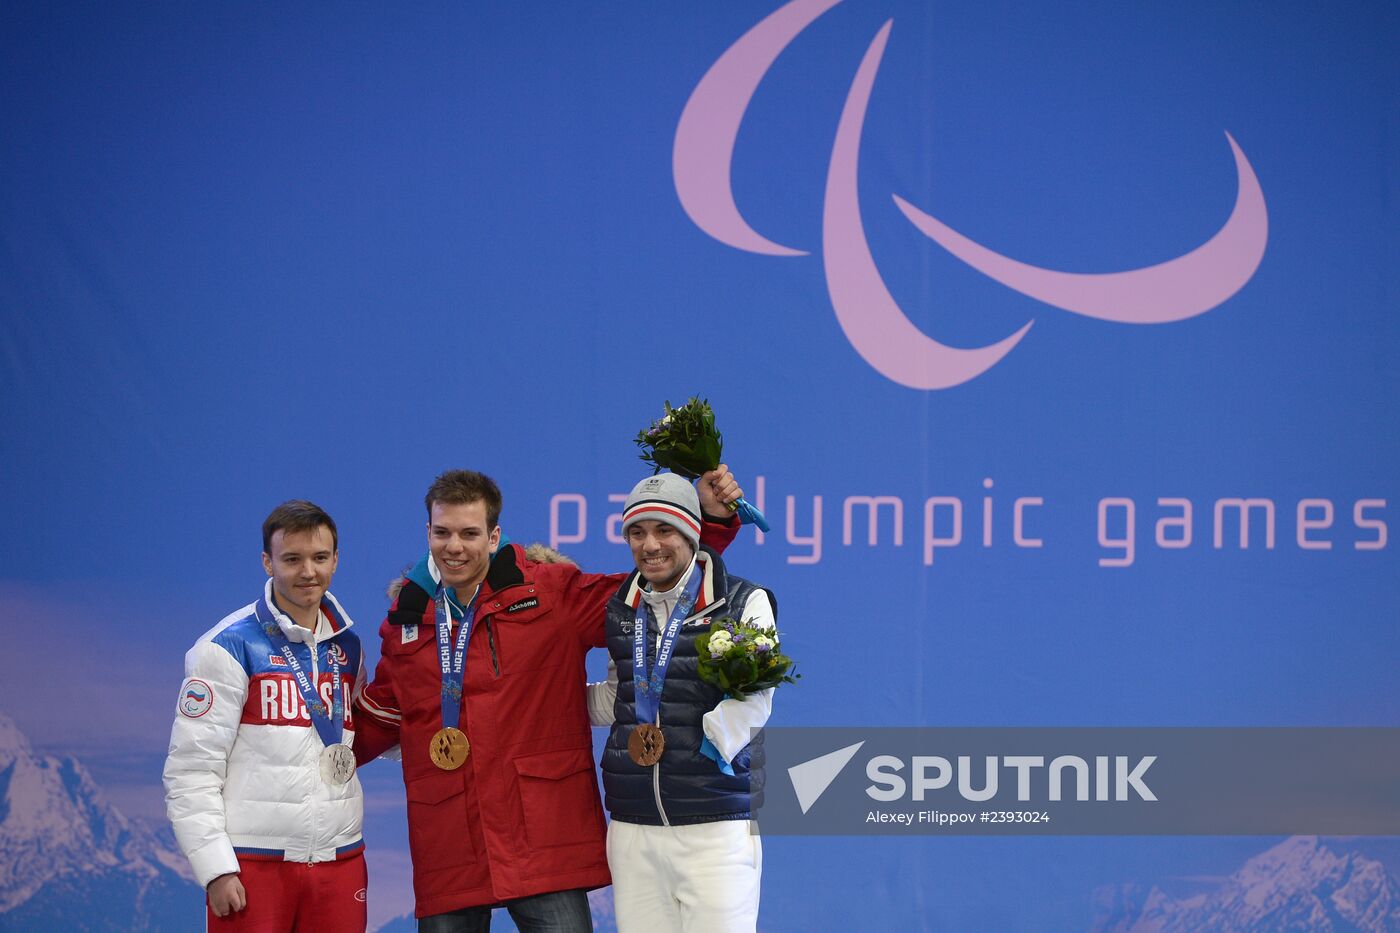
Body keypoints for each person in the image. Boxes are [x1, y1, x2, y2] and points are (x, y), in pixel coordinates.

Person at [352, 467, 744, 931]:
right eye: (443, 532)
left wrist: (711, 527)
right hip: (451, 841)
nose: (455, 546)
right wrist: (308, 751)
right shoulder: (406, 623)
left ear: (494, 535)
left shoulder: (550, 593)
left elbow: (651, 583)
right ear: (428, 532)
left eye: (469, 533)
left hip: (544, 836)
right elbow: (379, 716)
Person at [163, 500, 368, 931]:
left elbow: (364, 734)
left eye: (319, 558)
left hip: (340, 861)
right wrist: (216, 868)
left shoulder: (348, 648)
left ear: (336, 560)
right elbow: (190, 771)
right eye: (292, 559)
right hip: (254, 864)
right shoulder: (226, 647)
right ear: (267, 562)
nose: (308, 571)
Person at [588, 473, 776, 933]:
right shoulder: (621, 607)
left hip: (715, 824)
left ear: (692, 532)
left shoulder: (744, 601)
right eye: (637, 532)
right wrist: (542, 702)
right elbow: (620, 696)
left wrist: (712, 744)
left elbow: (757, 696)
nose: (649, 545)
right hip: (633, 828)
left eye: (663, 530)